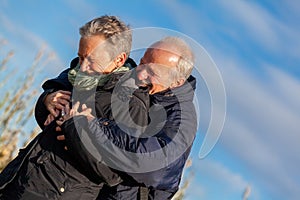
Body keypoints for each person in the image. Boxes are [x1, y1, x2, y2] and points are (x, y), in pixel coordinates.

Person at [0, 15, 149, 199]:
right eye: (80, 57)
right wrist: (47, 100)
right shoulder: (76, 75)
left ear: (119, 59)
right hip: (17, 180)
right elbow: (47, 121)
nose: (83, 66)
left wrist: (74, 128)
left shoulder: (131, 105)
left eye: (91, 60)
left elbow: (113, 173)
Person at [58, 36, 198, 200]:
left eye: (152, 72)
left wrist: (93, 125)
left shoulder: (182, 120)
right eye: (142, 62)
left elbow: (152, 166)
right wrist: (52, 93)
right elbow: (84, 73)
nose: (140, 73)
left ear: (176, 82)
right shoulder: (134, 79)